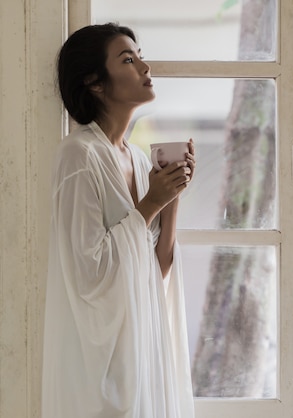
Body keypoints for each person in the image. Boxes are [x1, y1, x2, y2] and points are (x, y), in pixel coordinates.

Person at [41, 23, 195, 418]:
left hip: (143, 352)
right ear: (94, 82)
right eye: (128, 59)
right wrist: (150, 204)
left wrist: (171, 196)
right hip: (103, 367)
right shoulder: (79, 156)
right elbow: (88, 273)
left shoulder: (140, 161)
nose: (145, 66)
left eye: (140, 55)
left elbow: (155, 270)